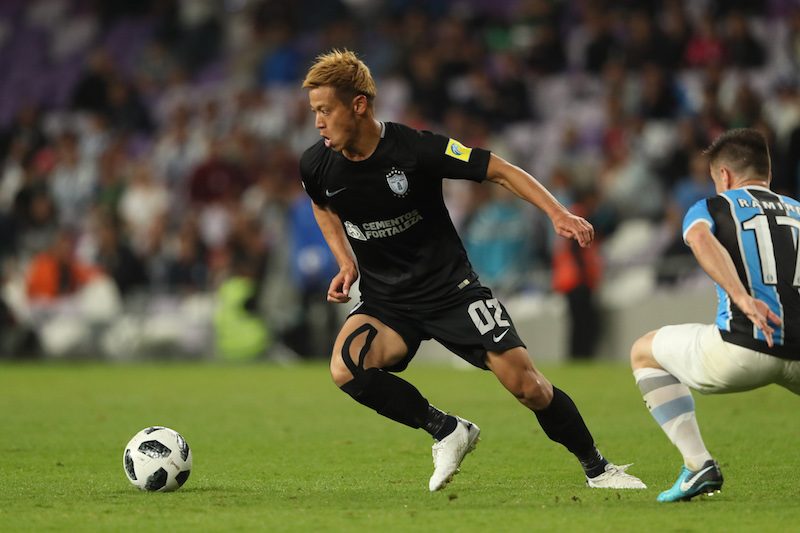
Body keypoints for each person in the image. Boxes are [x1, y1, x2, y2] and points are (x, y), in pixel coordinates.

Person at [299, 49, 645, 492]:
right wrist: (345, 260)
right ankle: (446, 430)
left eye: (325, 110)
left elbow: (498, 169)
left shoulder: (416, 149)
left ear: (359, 105)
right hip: (388, 301)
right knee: (346, 367)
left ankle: (598, 468)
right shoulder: (317, 164)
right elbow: (321, 204)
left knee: (528, 387)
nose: (318, 123)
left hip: (451, 292)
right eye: (314, 112)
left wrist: (557, 213)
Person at [630, 128, 800, 502]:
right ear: (768, 172)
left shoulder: (712, 206)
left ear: (724, 175)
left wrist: (742, 296)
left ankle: (698, 465)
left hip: (742, 348)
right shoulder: (798, 211)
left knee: (643, 351)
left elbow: (699, 238)